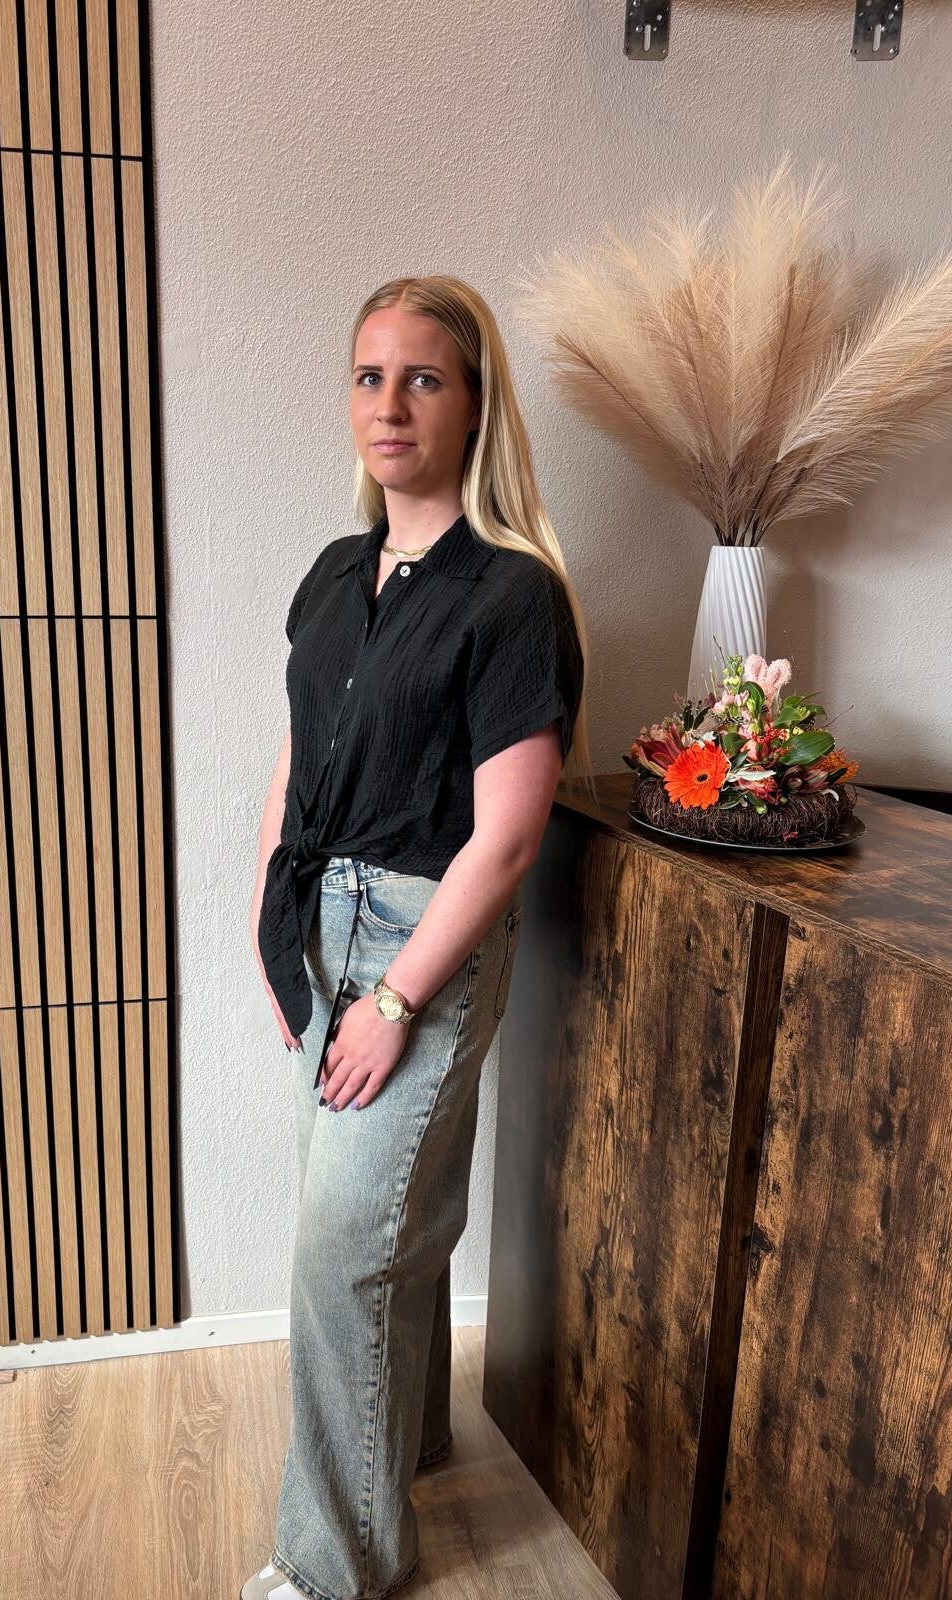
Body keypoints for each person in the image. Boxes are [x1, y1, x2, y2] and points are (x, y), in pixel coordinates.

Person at [244, 274, 592, 1600]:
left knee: (346, 1248)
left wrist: (393, 1001)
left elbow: (505, 837)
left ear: (474, 405)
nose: (389, 404)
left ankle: (333, 1567)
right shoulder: (336, 575)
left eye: (423, 378)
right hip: (320, 921)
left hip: (420, 939)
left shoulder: (512, 597)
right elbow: (299, 757)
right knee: (391, 1219)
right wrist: (272, 920)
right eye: (369, 375)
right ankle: (412, 1446)